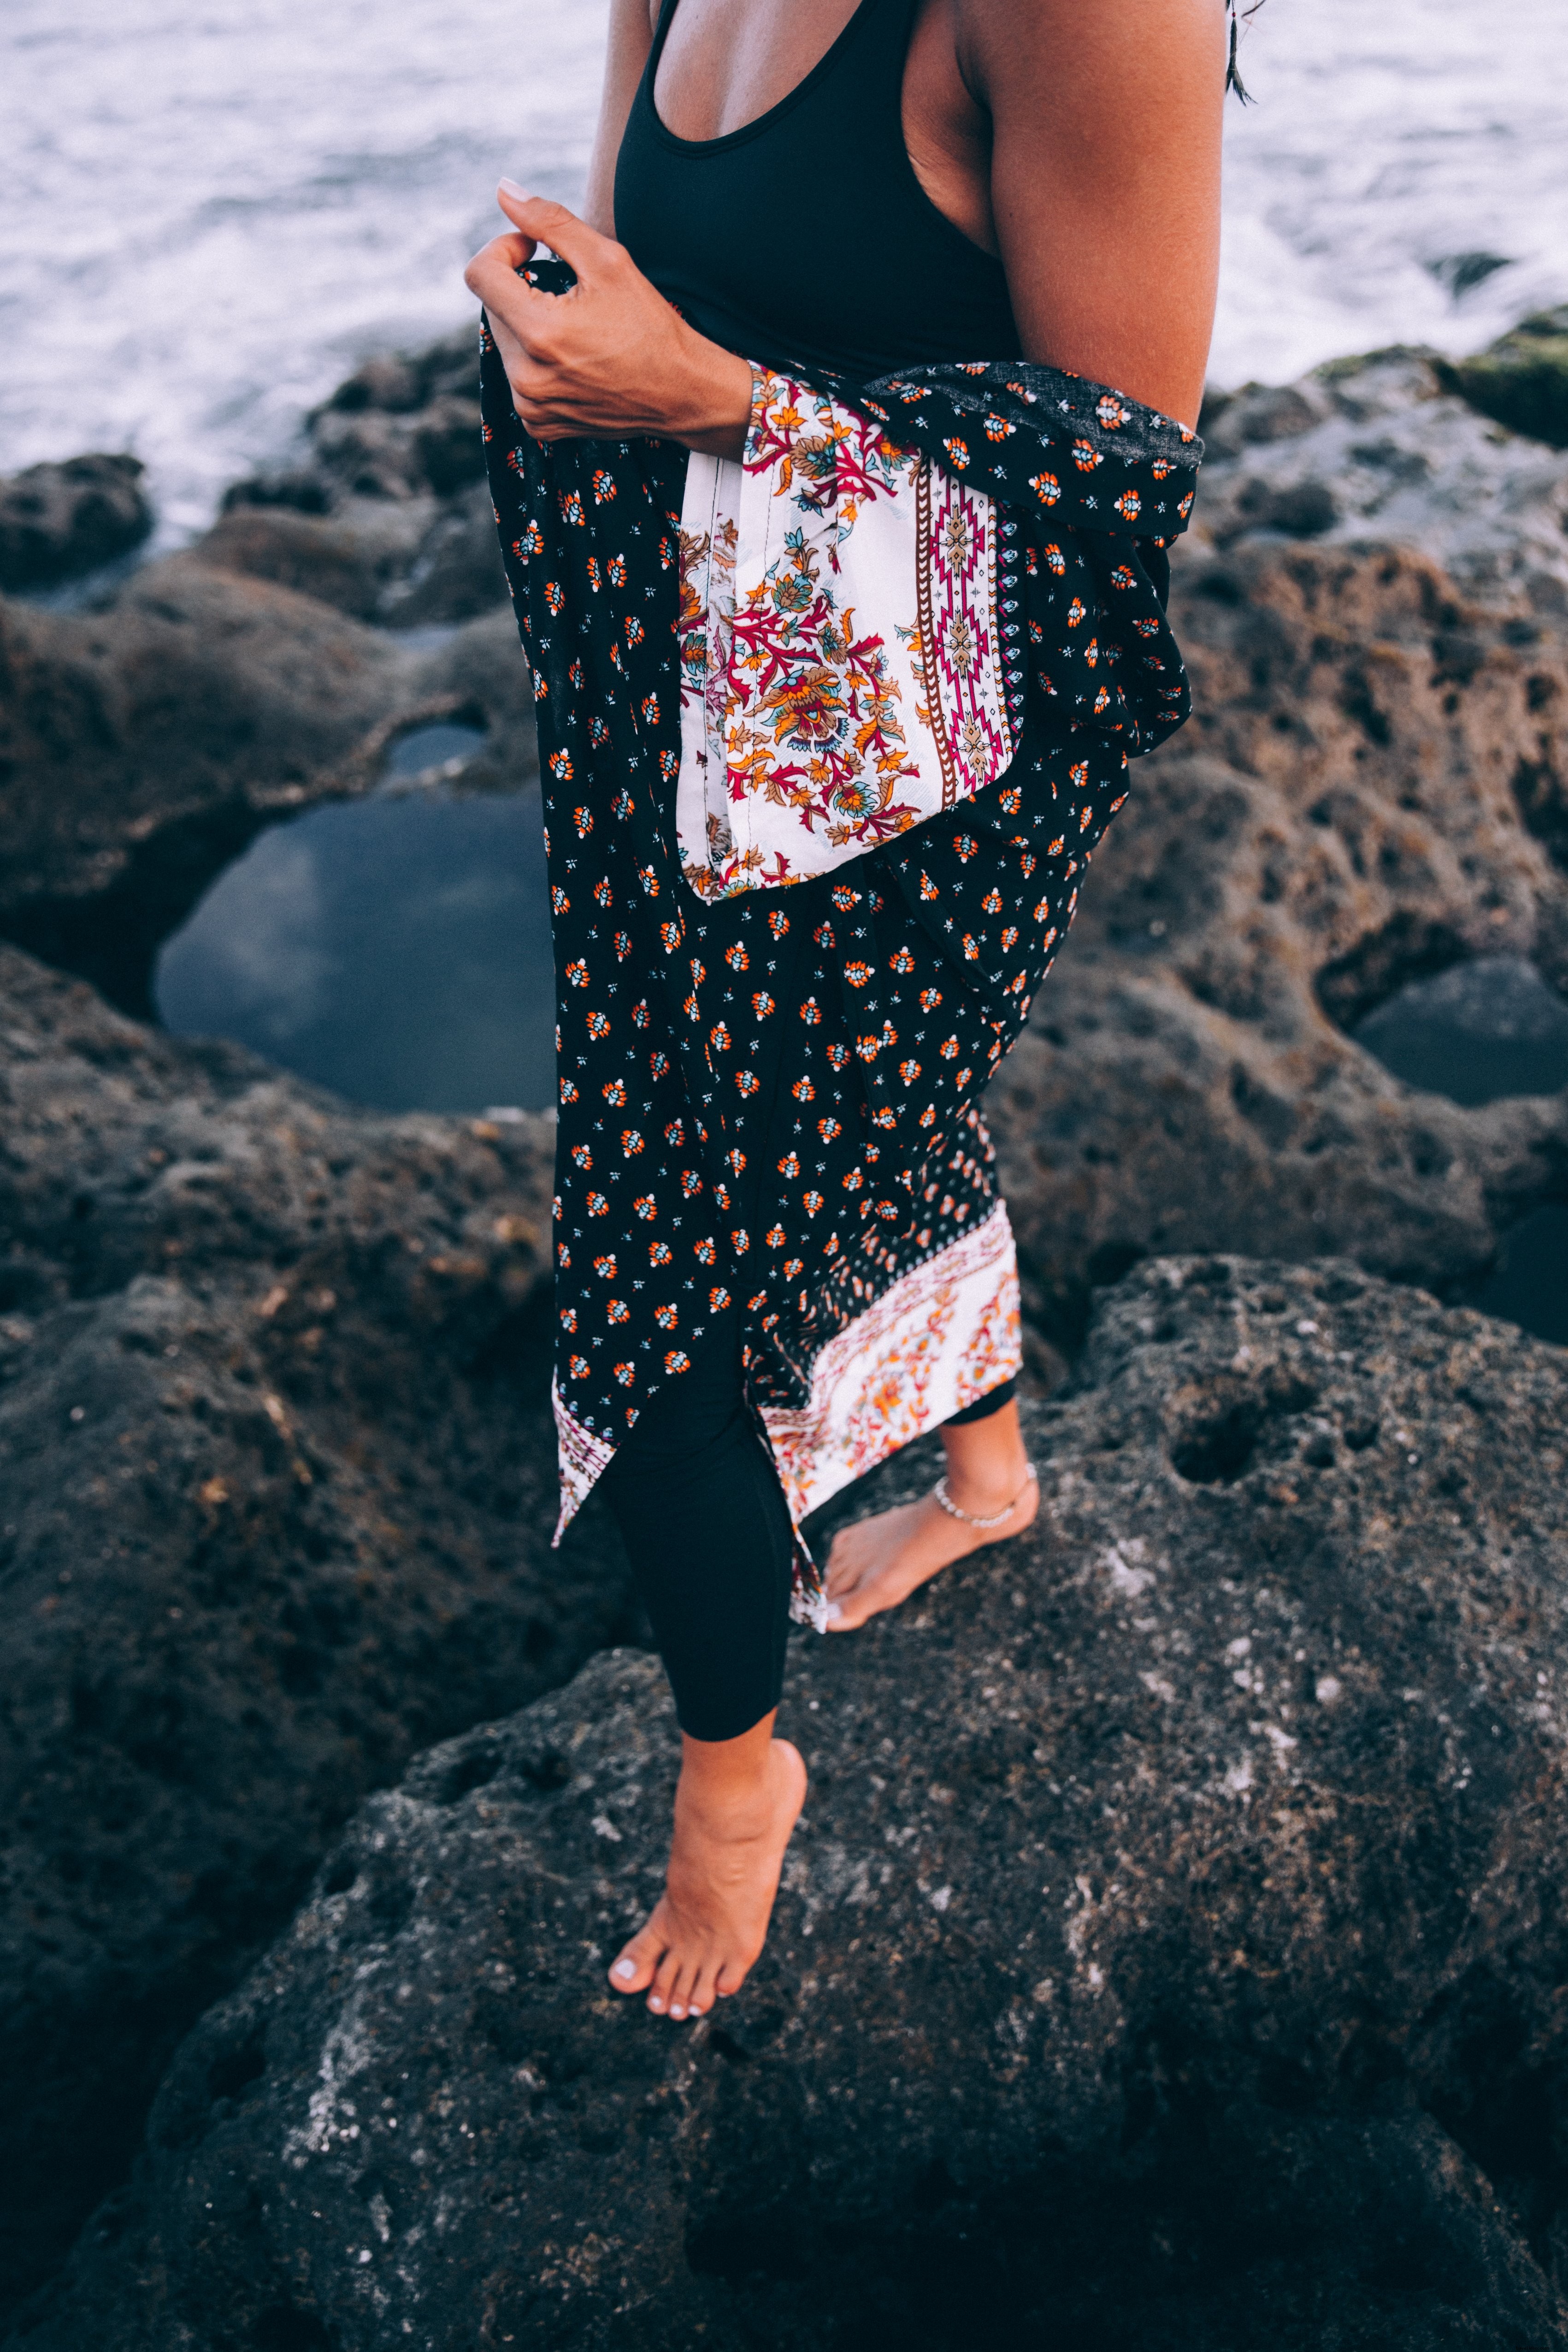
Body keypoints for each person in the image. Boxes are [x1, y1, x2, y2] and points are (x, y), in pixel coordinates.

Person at [466, 0, 1225, 2024]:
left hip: (937, 751)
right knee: (876, 1109)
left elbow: (1122, 491)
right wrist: (564, 328)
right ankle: (984, 1477)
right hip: (696, 689)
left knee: (668, 1263)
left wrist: (708, 397)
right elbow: (643, 290)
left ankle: (735, 1776)